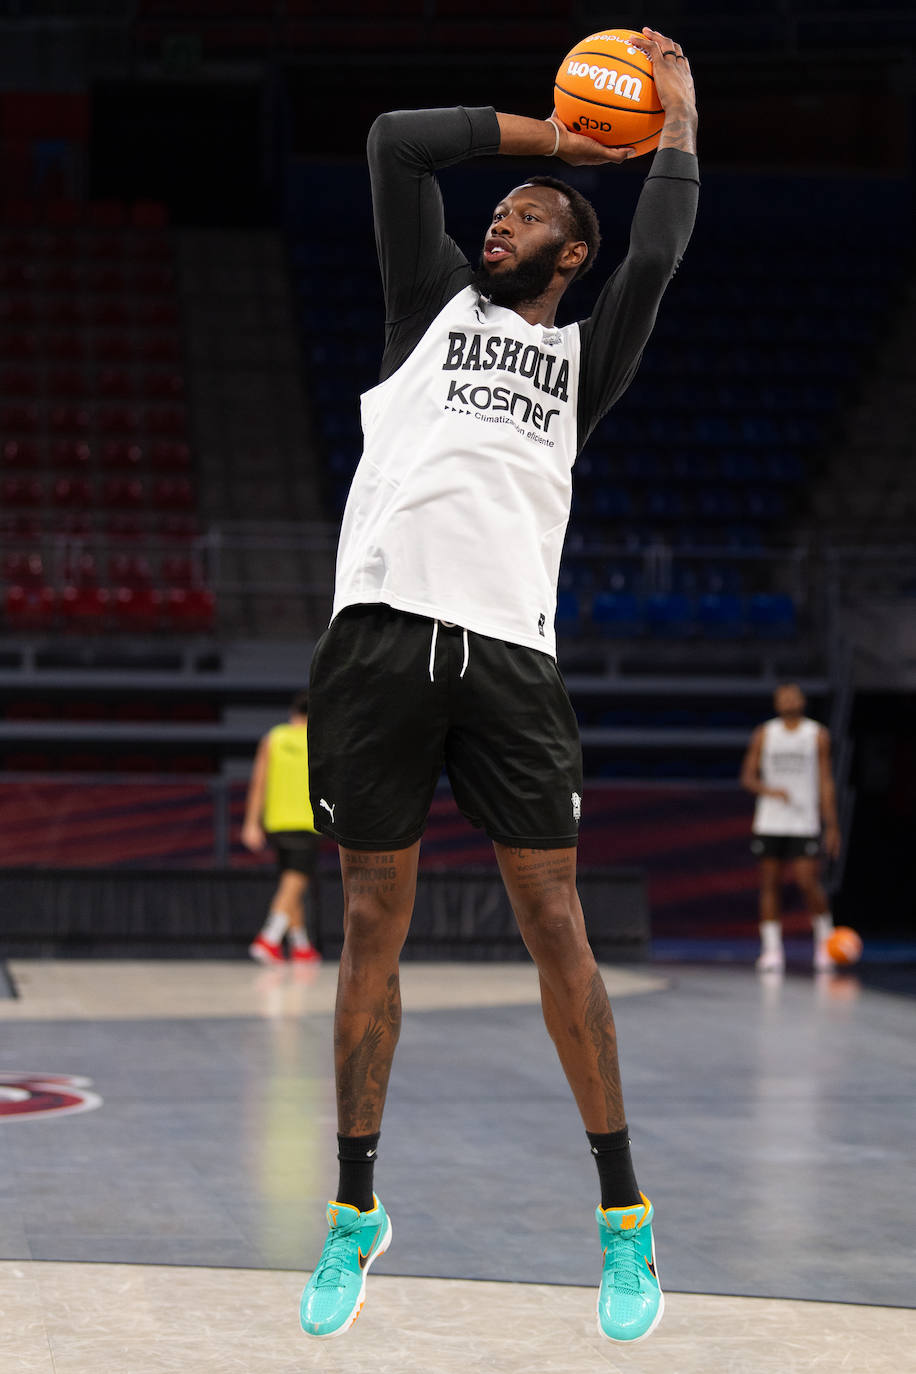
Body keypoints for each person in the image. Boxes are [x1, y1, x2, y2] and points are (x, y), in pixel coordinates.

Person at [300, 27, 698, 1346]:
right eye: (503, 205)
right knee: (370, 922)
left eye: (531, 213)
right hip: (378, 637)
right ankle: (356, 1208)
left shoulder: (584, 360)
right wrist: (556, 137)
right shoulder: (427, 305)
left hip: (512, 655)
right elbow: (395, 143)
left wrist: (673, 120)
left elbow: (660, 248)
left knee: (556, 926)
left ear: (568, 254)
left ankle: (624, 1215)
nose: (503, 217)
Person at [740, 682, 841, 973]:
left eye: (793, 696)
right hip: (770, 820)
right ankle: (772, 950)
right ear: (776, 703)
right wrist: (768, 790)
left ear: (802, 700)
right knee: (770, 883)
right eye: (782, 697)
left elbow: (825, 781)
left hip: (803, 820)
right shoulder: (765, 733)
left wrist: (831, 824)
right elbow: (747, 777)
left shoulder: (816, 735)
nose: (788, 701)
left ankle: (826, 943)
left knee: (808, 881)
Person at [242, 691, 322, 965]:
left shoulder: (273, 738)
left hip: (276, 821)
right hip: (307, 821)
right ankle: (269, 937)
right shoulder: (321, 740)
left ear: (292, 712)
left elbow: (258, 783)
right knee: (295, 881)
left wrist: (251, 823)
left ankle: (301, 946)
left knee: (291, 881)